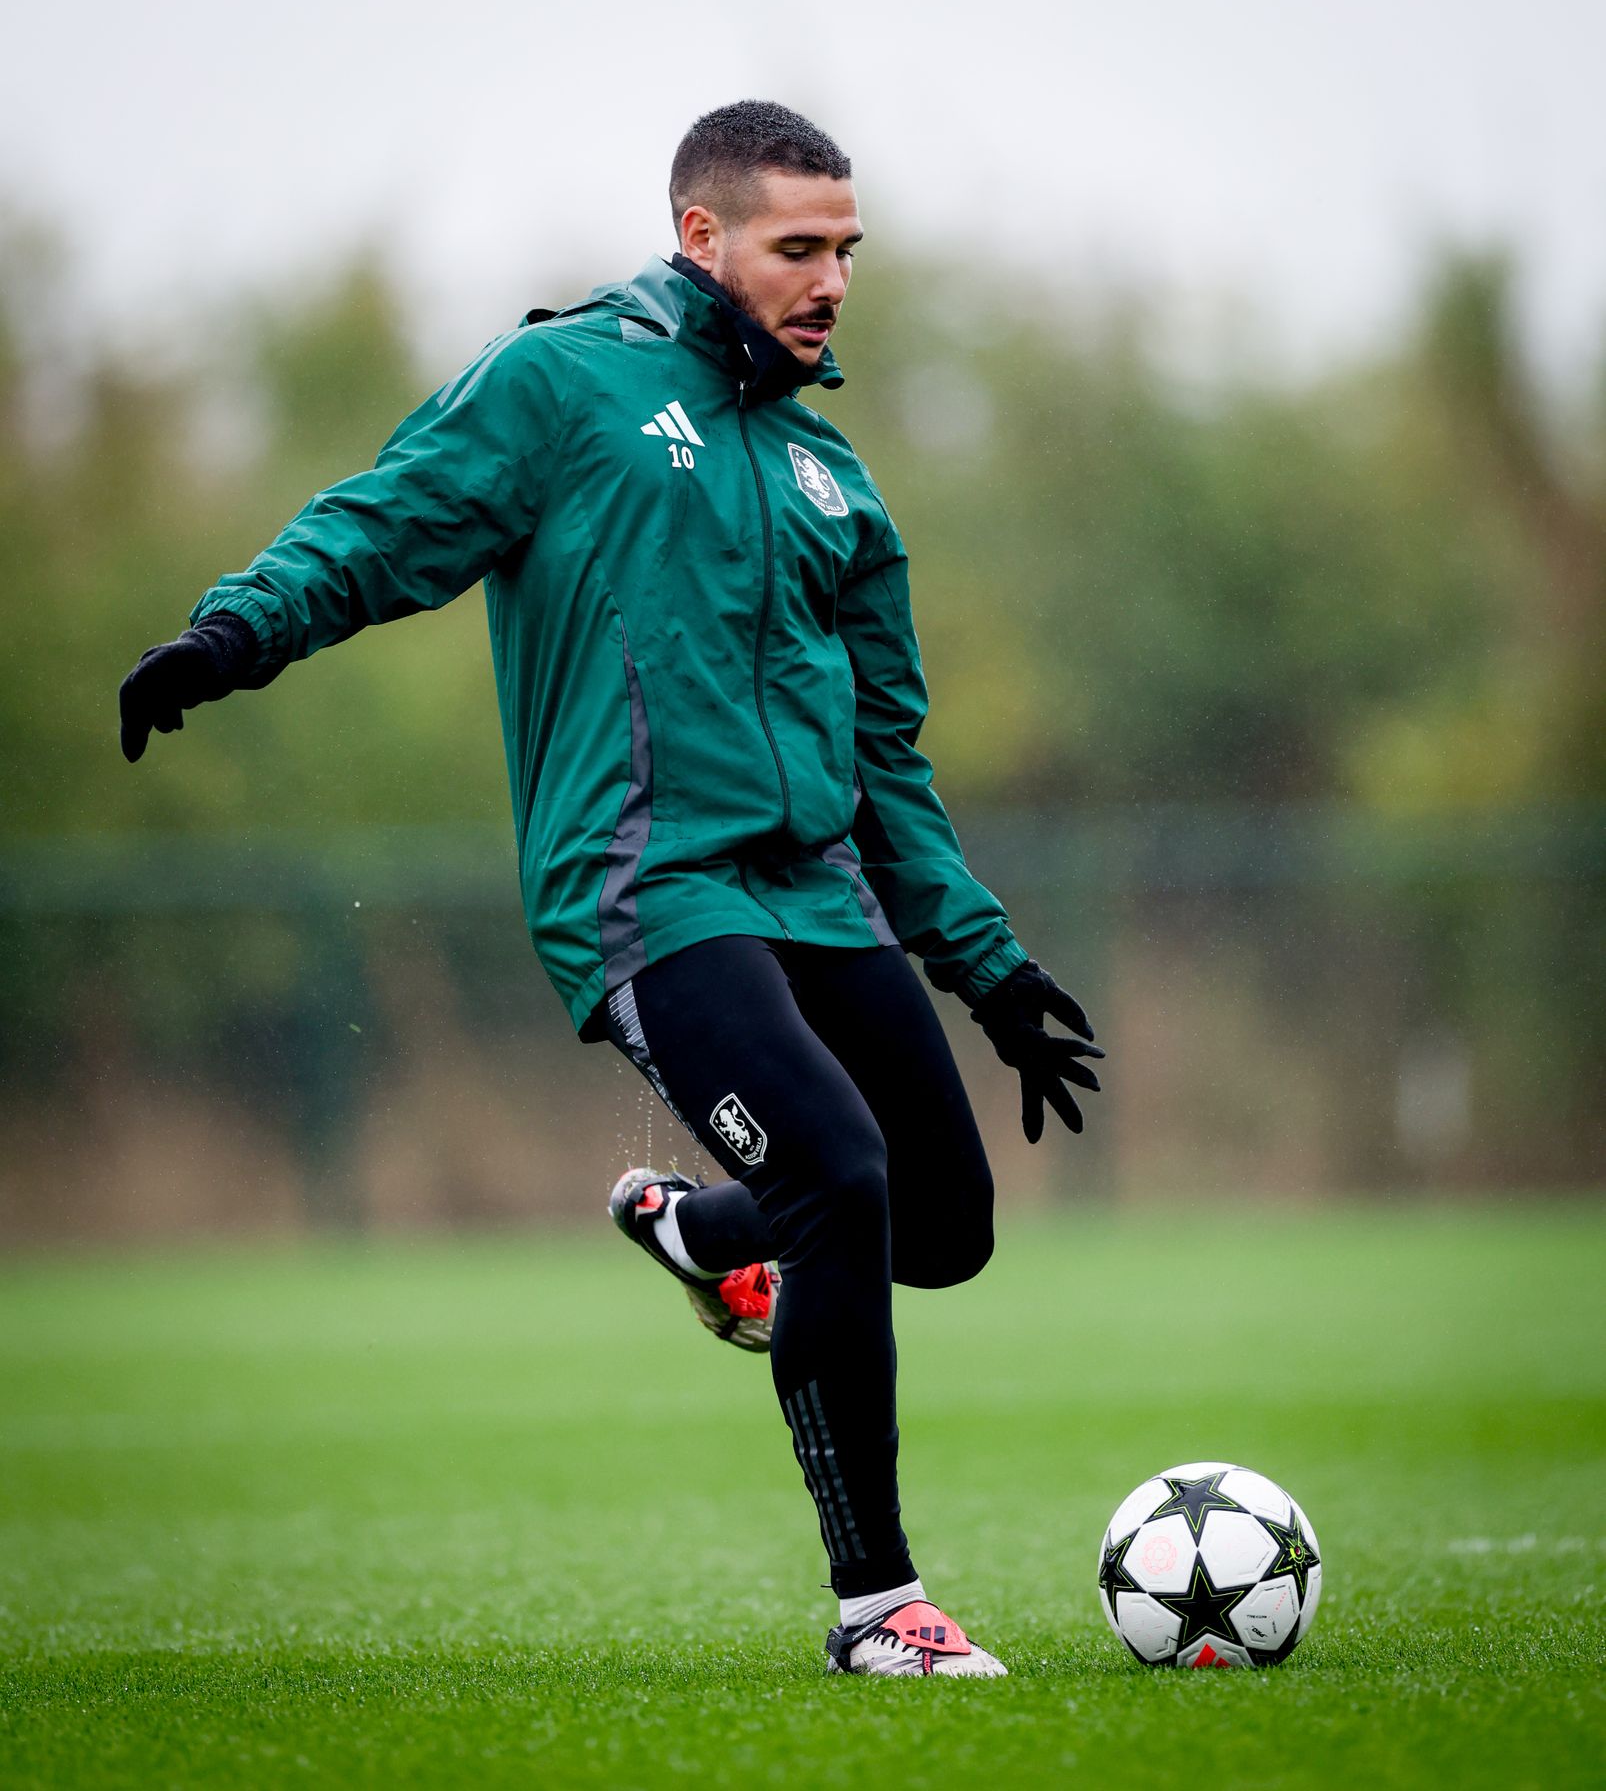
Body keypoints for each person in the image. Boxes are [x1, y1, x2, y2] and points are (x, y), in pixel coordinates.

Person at [117, 100, 1103, 1678]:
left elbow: (890, 772)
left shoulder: (831, 475)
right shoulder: (562, 384)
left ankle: (709, 1235)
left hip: (819, 891)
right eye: (798, 246)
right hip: (647, 888)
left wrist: (988, 970)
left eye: (846, 248)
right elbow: (386, 524)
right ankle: (880, 1611)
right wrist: (234, 633)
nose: (831, 279)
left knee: (949, 1221)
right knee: (840, 1179)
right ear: (701, 237)